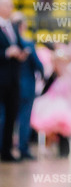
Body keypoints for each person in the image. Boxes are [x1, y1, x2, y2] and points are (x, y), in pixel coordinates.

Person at [0, 0, 30, 162]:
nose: (11, 9)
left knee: (11, 116)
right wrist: (5, 53)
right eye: (8, 5)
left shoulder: (12, 26)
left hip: (13, 80)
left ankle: (6, 151)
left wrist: (19, 53)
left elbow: (18, 45)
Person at [13, 15, 44, 161]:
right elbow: (38, 65)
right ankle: (23, 149)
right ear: (22, 26)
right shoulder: (27, 43)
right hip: (26, 87)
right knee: (25, 119)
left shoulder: (10, 43)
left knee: (6, 118)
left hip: (10, 86)